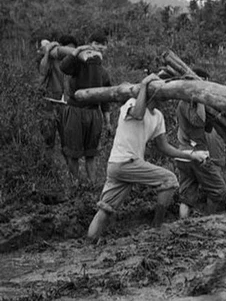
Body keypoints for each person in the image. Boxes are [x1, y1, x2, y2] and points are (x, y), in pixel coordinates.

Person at [87, 74, 209, 241]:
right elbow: (137, 114)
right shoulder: (131, 104)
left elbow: (165, 147)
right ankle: (156, 228)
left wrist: (191, 155)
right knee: (169, 180)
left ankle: (89, 243)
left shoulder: (158, 116)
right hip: (124, 162)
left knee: (106, 208)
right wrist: (144, 84)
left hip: (123, 165)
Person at [59, 32, 113, 185]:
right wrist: (76, 52)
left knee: (91, 154)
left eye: (104, 44)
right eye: (97, 43)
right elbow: (64, 67)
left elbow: (106, 98)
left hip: (94, 113)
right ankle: (75, 185)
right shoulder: (79, 62)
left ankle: (92, 185)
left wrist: (108, 122)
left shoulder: (103, 72)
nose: (101, 47)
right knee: (73, 153)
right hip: (75, 111)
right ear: (90, 44)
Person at [175, 68, 226, 219]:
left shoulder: (182, 103)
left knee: (187, 197)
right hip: (196, 154)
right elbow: (198, 121)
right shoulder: (190, 103)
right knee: (218, 189)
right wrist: (200, 100)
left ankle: (182, 225)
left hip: (182, 154)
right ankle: (207, 221)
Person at [38, 34, 79, 161]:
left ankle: (72, 176)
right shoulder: (52, 59)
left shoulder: (75, 63)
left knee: (67, 144)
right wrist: (47, 53)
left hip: (66, 106)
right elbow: (42, 71)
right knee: (48, 141)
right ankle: (47, 172)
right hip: (49, 104)